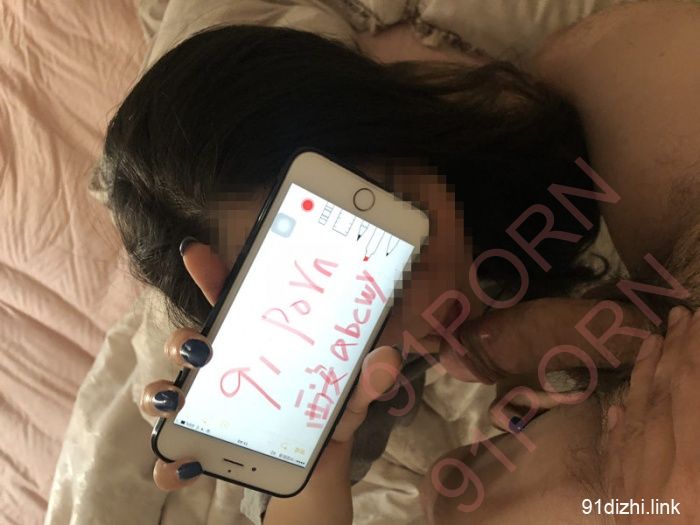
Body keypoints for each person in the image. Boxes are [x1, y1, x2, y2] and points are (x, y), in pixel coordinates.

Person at [97, 0, 699, 522]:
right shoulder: (355, 375)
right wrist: (313, 464)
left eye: (387, 239)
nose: (417, 316)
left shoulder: (592, 104)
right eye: (342, 301)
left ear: (398, 131)